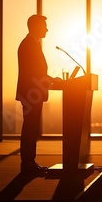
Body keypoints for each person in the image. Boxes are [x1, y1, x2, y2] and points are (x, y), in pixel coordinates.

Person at [15, 14, 61, 174]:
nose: (47, 29)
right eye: (44, 25)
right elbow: (32, 73)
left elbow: (36, 72)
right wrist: (49, 79)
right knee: (30, 128)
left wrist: (48, 79)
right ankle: (27, 164)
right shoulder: (29, 45)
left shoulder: (32, 44)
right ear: (35, 26)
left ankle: (29, 163)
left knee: (31, 127)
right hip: (31, 93)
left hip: (32, 92)